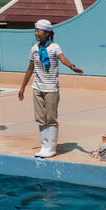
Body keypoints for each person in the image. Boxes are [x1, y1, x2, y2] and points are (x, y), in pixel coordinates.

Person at [18, 19, 83, 158]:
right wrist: (22, 87)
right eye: (35, 31)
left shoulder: (54, 47)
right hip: (37, 87)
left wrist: (72, 66)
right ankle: (44, 146)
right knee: (41, 118)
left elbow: (62, 58)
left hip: (51, 88)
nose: (36, 33)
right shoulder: (34, 49)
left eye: (39, 31)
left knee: (51, 118)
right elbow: (30, 68)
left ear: (47, 33)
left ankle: (51, 148)